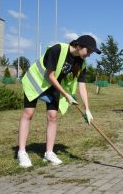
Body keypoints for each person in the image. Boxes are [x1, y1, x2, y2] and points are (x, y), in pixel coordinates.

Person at [17, 35, 101, 168]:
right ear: (79, 46)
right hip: (36, 81)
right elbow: (49, 75)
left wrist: (87, 109)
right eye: (89, 51)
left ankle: (49, 153)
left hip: (53, 86)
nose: (89, 55)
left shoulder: (81, 63)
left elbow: (82, 86)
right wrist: (66, 95)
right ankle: (21, 152)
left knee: (53, 116)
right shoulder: (58, 49)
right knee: (28, 113)